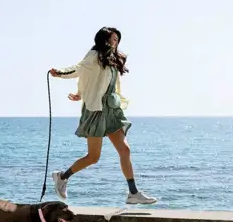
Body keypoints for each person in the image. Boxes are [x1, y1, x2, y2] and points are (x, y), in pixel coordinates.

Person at [49, 26, 157, 205]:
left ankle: (133, 193)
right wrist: (59, 73)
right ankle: (62, 176)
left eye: (117, 40)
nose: (115, 43)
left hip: (112, 110)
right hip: (96, 111)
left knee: (125, 150)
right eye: (112, 39)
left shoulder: (113, 59)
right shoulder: (93, 56)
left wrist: (81, 93)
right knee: (93, 157)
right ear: (103, 40)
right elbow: (79, 70)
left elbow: (101, 81)